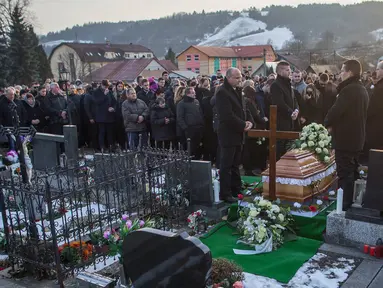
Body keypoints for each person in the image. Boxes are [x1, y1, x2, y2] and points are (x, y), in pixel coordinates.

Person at [324, 59, 369, 210]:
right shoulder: (362, 89)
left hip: (346, 140)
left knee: (345, 176)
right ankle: (354, 202)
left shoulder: (348, 90)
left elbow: (335, 112)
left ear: (349, 72)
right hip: (356, 139)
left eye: (342, 71)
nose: (340, 74)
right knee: (353, 173)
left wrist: (327, 123)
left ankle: (343, 207)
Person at [215, 68, 253, 203]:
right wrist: (243, 124)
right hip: (228, 134)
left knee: (236, 164)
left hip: (238, 133)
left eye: (240, 77)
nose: (240, 80)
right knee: (227, 165)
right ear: (229, 77)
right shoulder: (222, 92)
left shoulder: (237, 90)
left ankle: (236, 188)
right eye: (237, 78)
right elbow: (226, 115)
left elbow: (243, 109)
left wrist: (248, 122)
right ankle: (225, 193)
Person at [270, 61, 300, 160]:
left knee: (288, 150)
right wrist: (290, 112)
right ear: (280, 71)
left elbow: (294, 100)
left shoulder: (289, 84)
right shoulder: (276, 85)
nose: (290, 72)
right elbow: (279, 103)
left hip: (290, 122)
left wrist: (296, 110)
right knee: (280, 150)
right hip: (280, 124)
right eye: (287, 70)